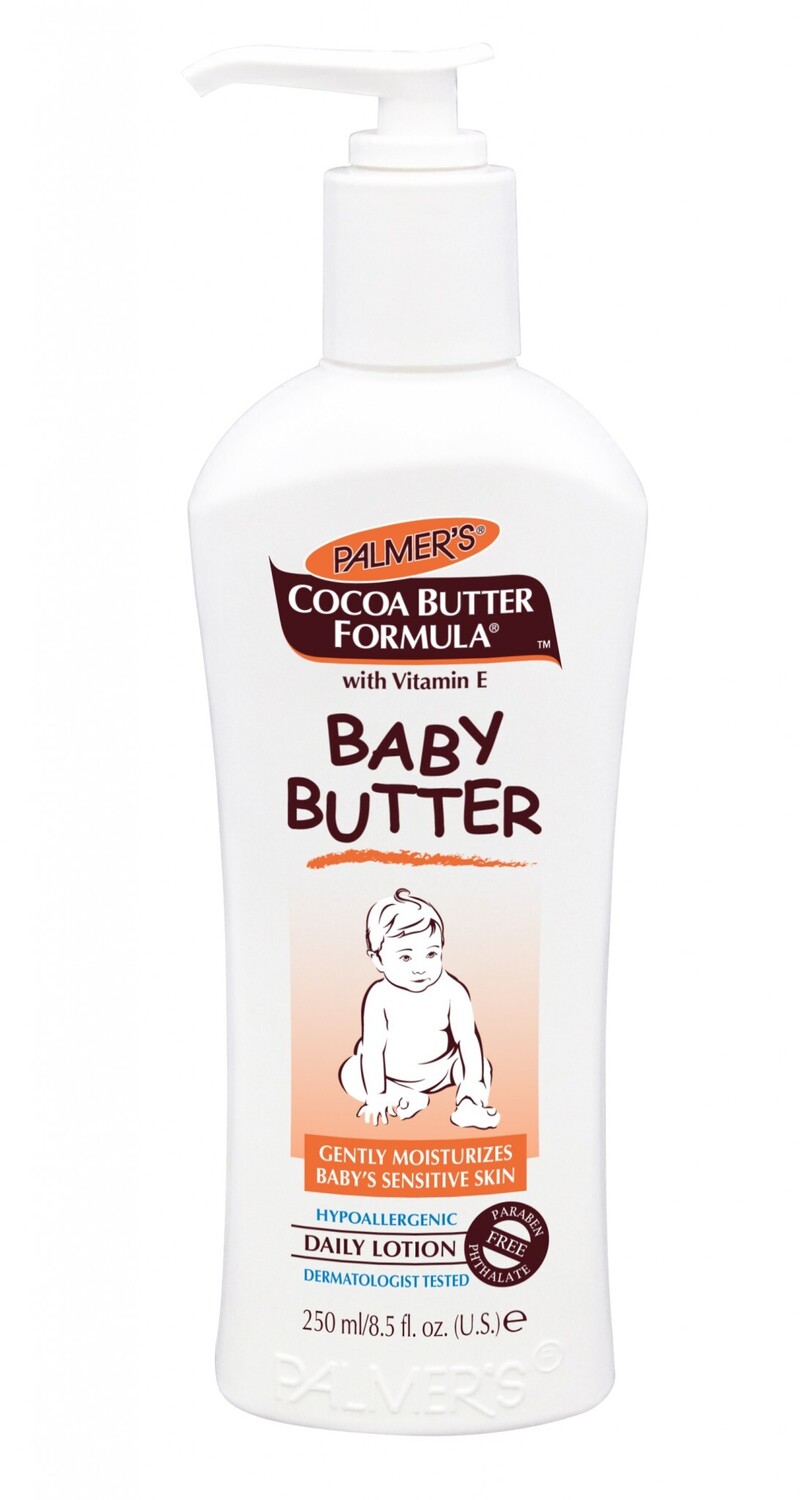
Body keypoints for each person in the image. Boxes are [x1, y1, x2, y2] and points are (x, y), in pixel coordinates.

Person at [339, 888, 499, 1130]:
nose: (420, 967)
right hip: (389, 1073)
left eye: (431, 953)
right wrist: (376, 1095)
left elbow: (467, 1039)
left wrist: (472, 1080)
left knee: (481, 1066)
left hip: (443, 1068)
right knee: (350, 1072)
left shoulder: (453, 991)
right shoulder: (378, 997)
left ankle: (470, 1104)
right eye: (406, 957)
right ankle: (403, 1097)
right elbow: (373, 1049)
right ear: (378, 959)